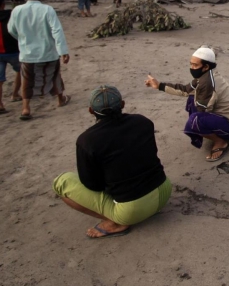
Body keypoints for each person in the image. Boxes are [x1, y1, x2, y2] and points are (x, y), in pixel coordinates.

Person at [52, 85, 171, 238]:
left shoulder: (87, 140)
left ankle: (115, 223)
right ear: (122, 104)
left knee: (61, 182)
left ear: (90, 111)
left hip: (132, 211)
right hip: (164, 191)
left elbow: (91, 184)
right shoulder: (143, 122)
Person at [144, 47, 229, 162]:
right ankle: (208, 131)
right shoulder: (205, 76)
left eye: (195, 65)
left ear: (206, 66)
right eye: (191, 64)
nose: (192, 68)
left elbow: (203, 110)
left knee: (195, 121)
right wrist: (159, 85)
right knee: (192, 98)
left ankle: (220, 142)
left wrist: (196, 124)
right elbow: (185, 90)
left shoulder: (208, 83)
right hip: (227, 118)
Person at [8, 0, 71, 120]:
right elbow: (57, 31)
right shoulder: (47, 9)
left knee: (27, 80)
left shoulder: (17, 10)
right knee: (55, 76)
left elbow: (11, 30)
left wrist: (23, 39)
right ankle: (60, 99)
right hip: (48, 52)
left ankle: (26, 108)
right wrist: (63, 51)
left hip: (27, 53)